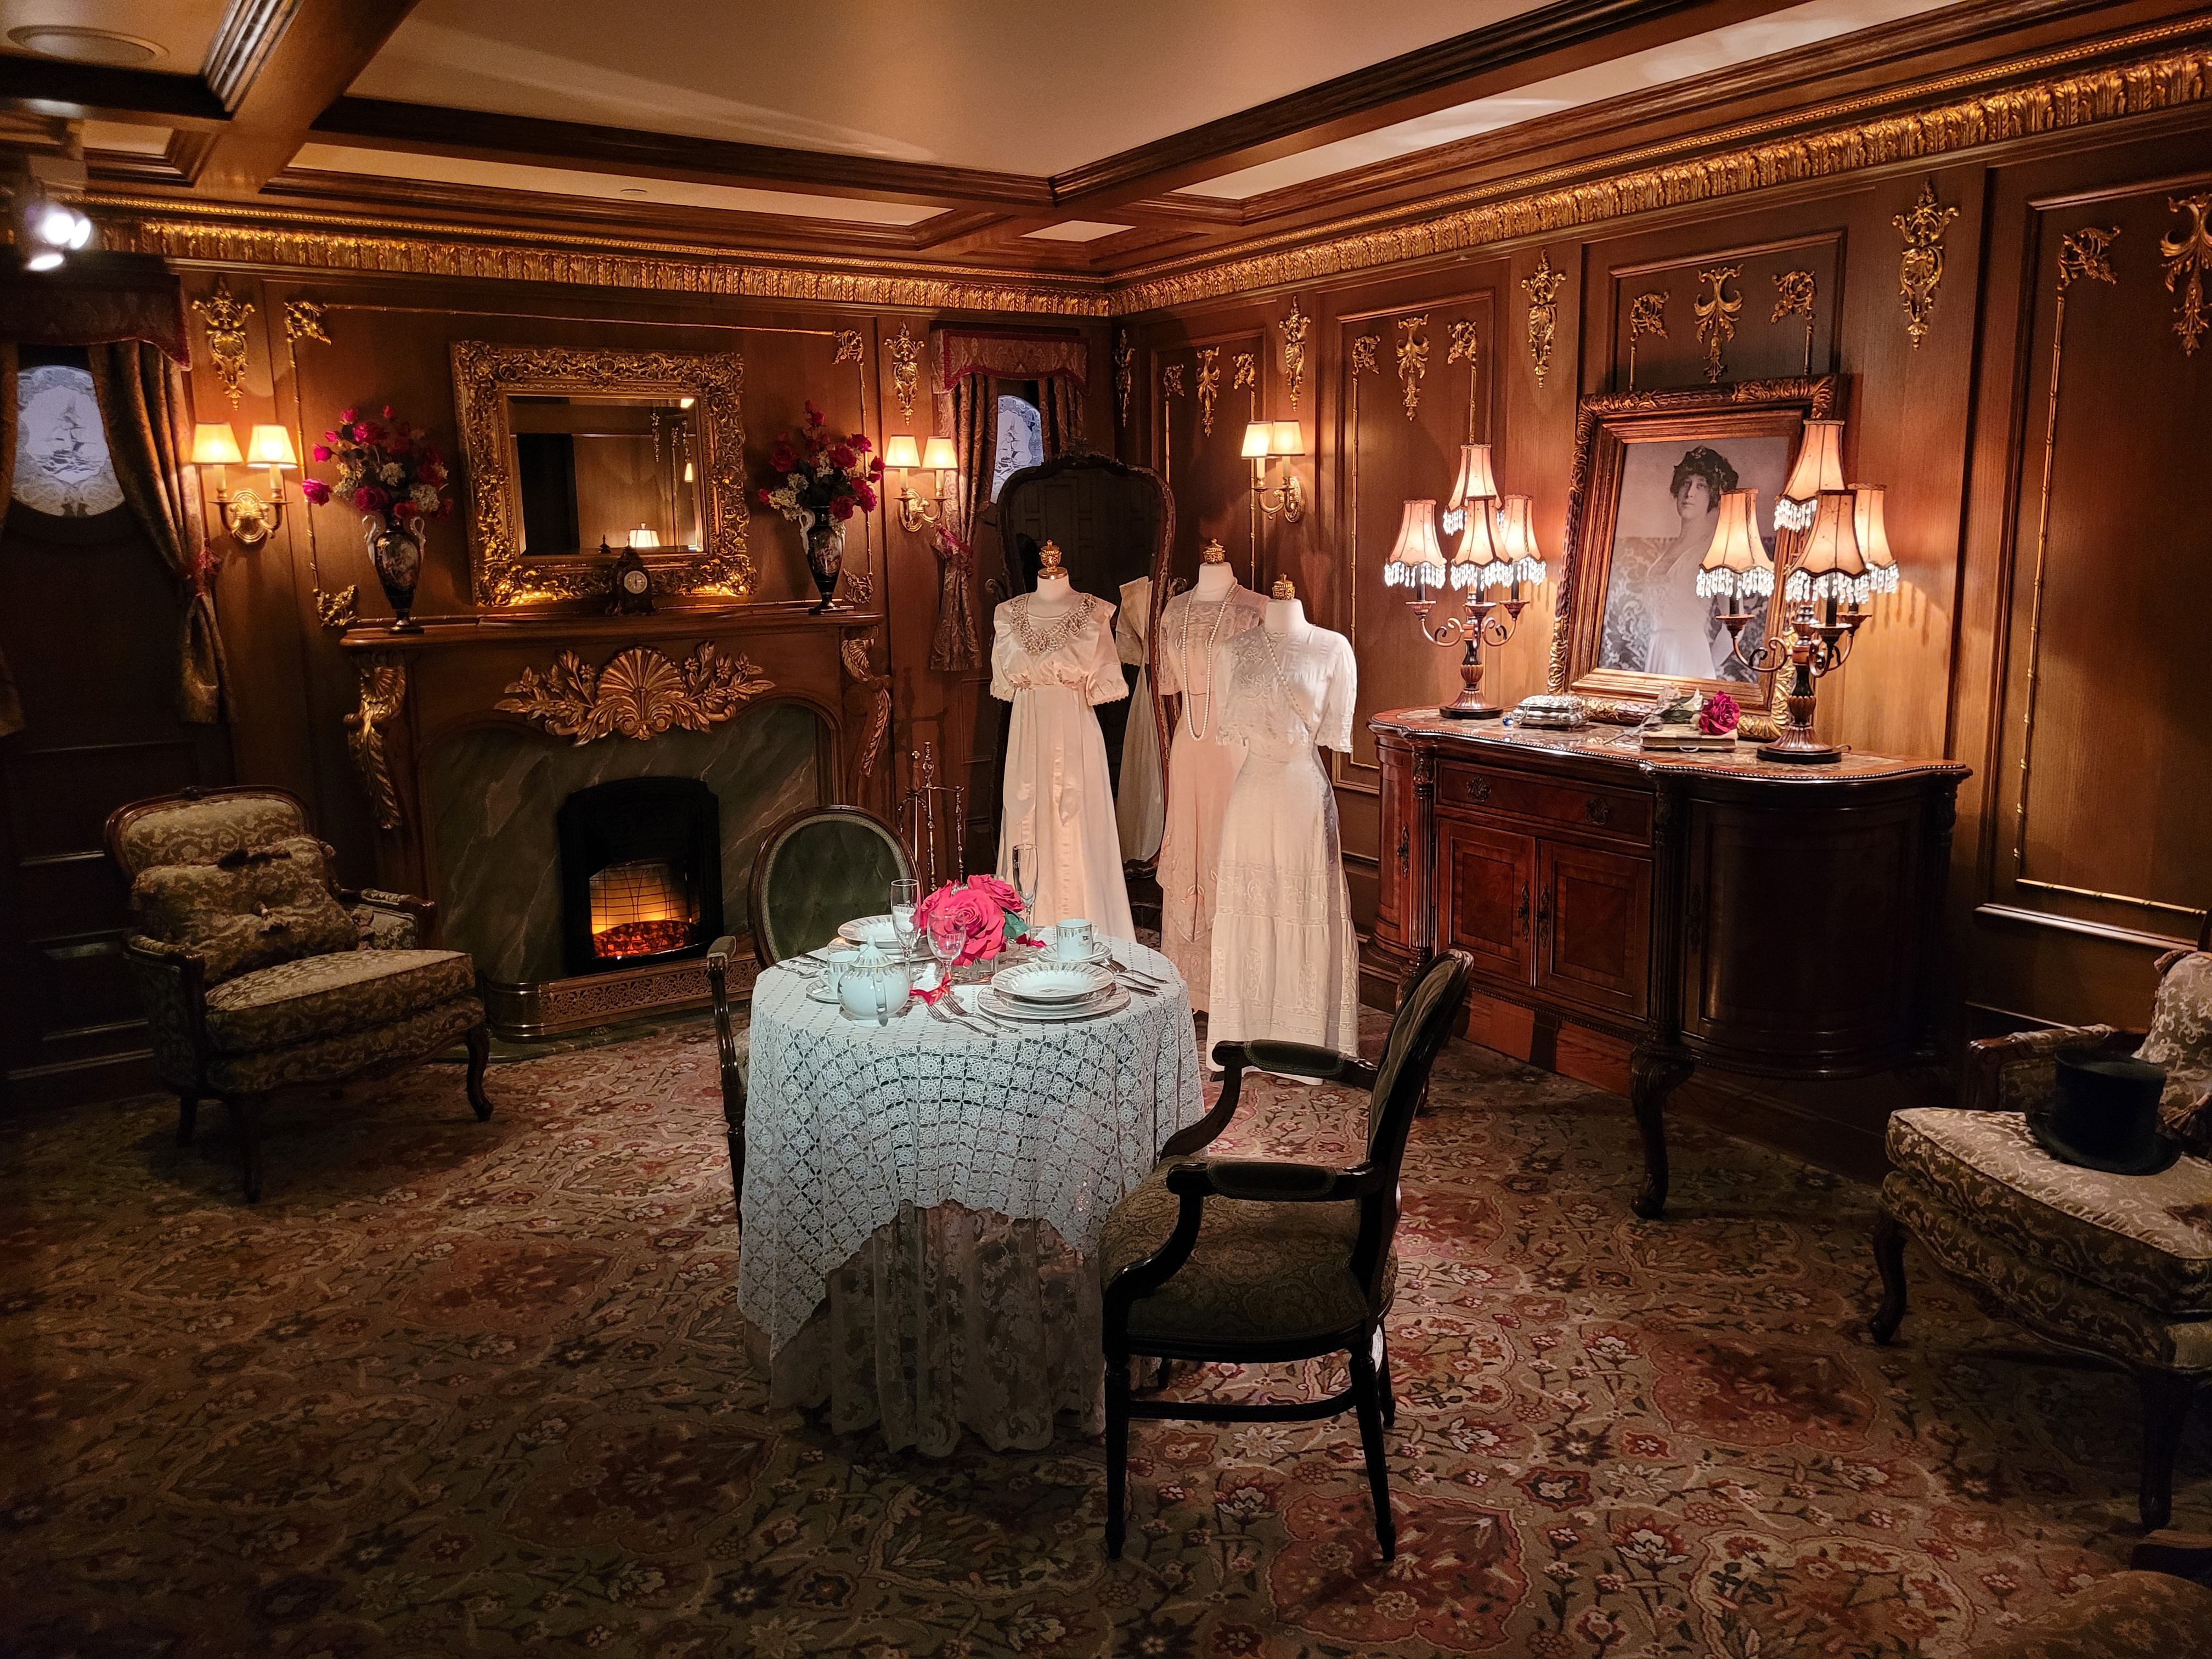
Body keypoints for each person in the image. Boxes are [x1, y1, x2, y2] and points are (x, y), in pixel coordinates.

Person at [1600, 446, 1756, 682]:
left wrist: (1704, 669)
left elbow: (1736, 626)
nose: (1690, 493)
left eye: (1701, 486)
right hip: (1657, 655)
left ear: (1713, 495)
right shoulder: (1667, 552)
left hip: (1691, 660)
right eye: (1686, 483)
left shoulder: (1718, 551)